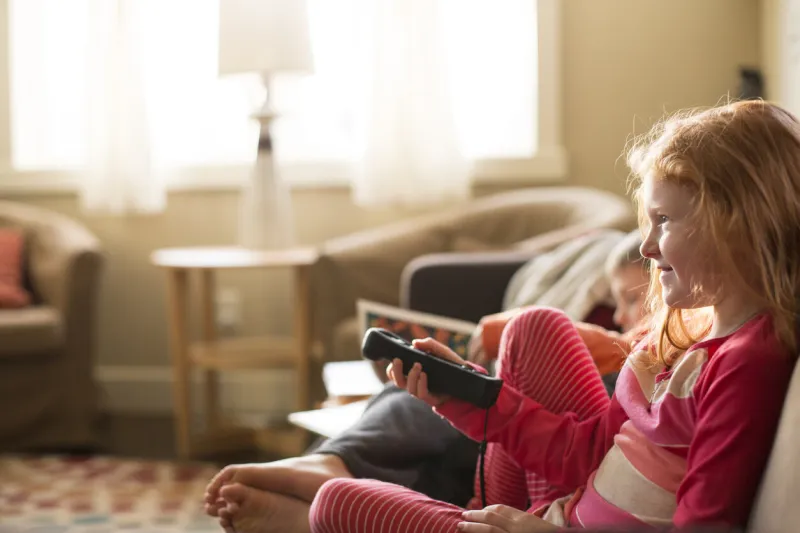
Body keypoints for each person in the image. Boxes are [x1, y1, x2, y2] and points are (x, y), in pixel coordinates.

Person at [297, 99, 800, 532]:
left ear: (736, 221)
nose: (646, 246)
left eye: (664, 221)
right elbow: (587, 455)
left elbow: (703, 525)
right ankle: (473, 506)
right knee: (534, 326)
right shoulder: (682, 335)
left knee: (336, 503)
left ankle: (451, 506)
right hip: (560, 510)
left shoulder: (746, 362)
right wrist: (462, 393)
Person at [203, 231, 649, 532]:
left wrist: (495, 344)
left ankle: (319, 508)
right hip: (521, 473)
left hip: (553, 472)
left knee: (456, 408)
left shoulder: (655, 357)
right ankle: (332, 472)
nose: (621, 315)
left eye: (633, 299)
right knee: (417, 397)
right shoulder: (639, 339)